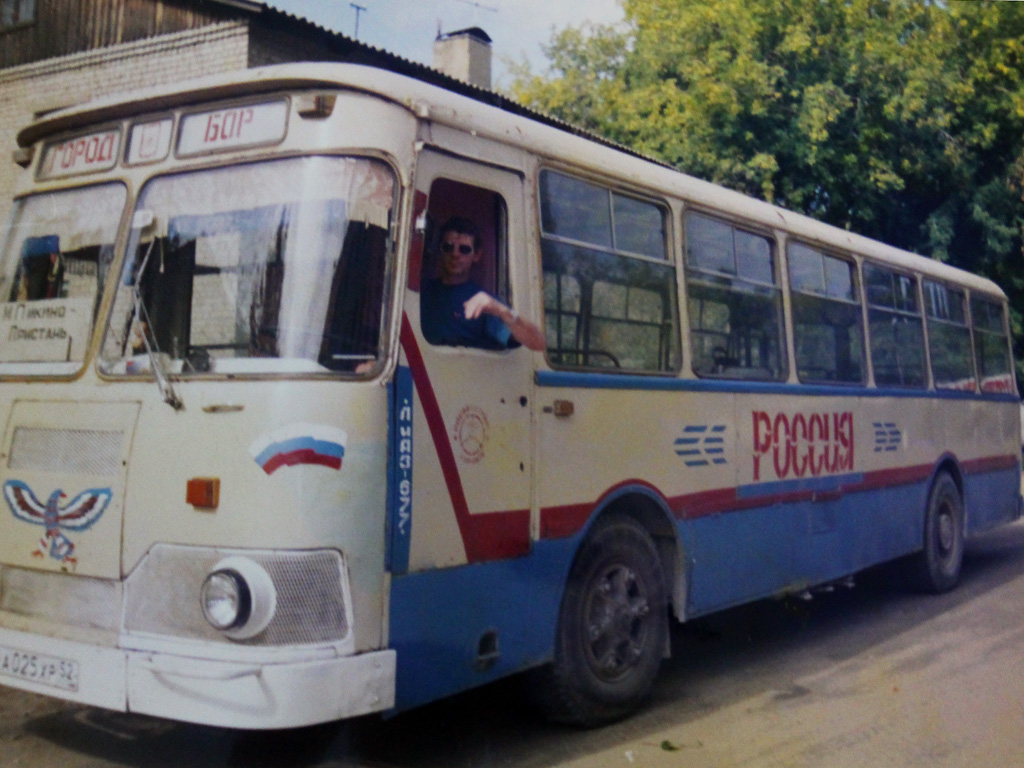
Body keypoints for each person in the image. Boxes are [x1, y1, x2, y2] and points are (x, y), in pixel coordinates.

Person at [420, 217, 545, 351]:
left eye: (464, 249)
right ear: (440, 250)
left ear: (477, 255)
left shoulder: (484, 302)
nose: (455, 254)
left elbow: (537, 342)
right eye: (448, 247)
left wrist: (500, 310)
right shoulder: (422, 291)